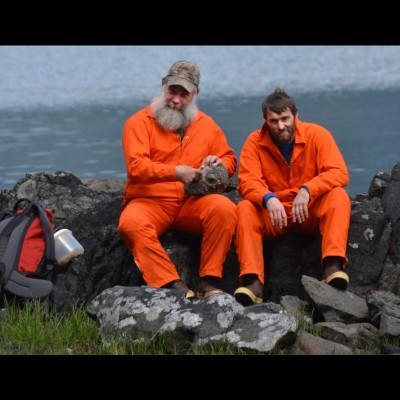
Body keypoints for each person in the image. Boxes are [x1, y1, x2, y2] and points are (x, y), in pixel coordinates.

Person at [118, 60, 237, 299]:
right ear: (164, 86)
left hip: (190, 203)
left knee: (225, 208)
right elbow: (136, 167)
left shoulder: (207, 125)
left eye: (184, 94)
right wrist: (175, 172)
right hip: (149, 200)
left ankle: (209, 281)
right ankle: (171, 285)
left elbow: (229, 158)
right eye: (173, 91)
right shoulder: (138, 122)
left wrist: (219, 162)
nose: (176, 99)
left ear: (194, 95)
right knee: (130, 224)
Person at [234, 87, 351, 306]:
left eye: (285, 119)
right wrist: (268, 198)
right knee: (244, 209)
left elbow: (339, 172)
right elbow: (247, 182)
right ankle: (253, 282)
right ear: (265, 121)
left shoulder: (318, 135)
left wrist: (308, 190)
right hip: (275, 217)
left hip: (307, 212)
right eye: (273, 121)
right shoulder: (254, 142)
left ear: (296, 115)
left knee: (338, 196)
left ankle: (332, 266)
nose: (280, 126)